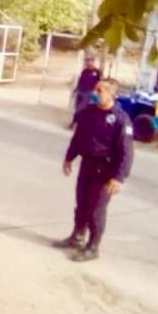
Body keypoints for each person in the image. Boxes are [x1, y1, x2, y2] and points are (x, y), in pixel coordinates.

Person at [54, 78, 135, 262]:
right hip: (87, 166)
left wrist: (118, 178)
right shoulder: (88, 113)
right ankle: (77, 237)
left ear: (112, 94)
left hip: (105, 170)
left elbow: (126, 152)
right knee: (81, 204)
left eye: (100, 90)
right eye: (95, 89)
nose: (95, 93)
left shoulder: (121, 120)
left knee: (96, 210)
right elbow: (78, 138)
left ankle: (93, 247)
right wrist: (69, 158)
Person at [71, 54, 101, 129]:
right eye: (87, 61)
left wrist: (96, 93)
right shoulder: (85, 71)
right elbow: (80, 80)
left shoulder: (96, 72)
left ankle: (74, 123)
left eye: (90, 61)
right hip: (81, 91)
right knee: (77, 107)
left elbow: (98, 83)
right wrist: (76, 89)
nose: (88, 63)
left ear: (93, 62)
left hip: (89, 93)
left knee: (81, 108)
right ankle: (76, 122)